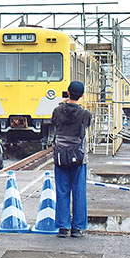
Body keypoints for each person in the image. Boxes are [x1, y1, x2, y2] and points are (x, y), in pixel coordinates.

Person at [51, 80, 92, 238]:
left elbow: (55, 123)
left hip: (61, 156)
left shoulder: (57, 111)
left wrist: (63, 104)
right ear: (82, 95)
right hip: (79, 157)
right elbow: (86, 125)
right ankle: (77, 228)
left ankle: (63, 227)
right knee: (79, 191)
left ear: (68, 93)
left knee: (62, 191)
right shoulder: (85, 114)